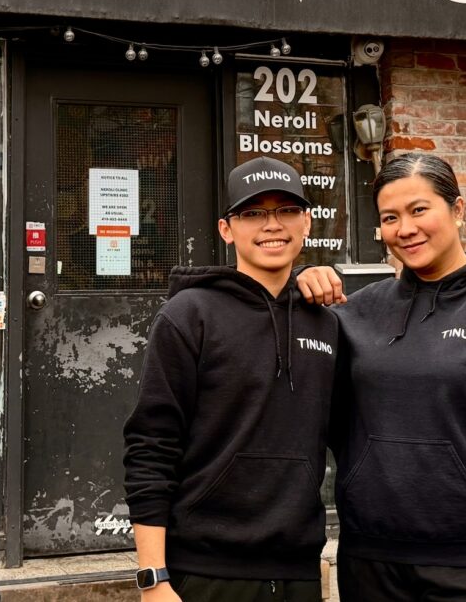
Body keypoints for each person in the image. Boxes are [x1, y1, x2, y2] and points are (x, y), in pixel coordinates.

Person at [297, 153, 466, 602]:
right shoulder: (359, 311)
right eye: (390, 217)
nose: (405, 229)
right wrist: (298, 280)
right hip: (369, 565)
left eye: (419, 209)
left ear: (458, 210)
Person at [123, 156, 339, 602]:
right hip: (204, 570)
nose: (271, 225)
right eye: (253, 213)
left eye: (286, 211)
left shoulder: (329, 322)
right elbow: (151, 444)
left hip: (297, 570)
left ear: (307, 223)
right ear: (227, 229)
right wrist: (152, 578)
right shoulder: (188, 316)